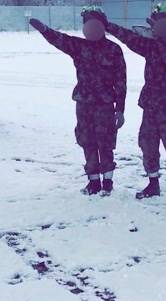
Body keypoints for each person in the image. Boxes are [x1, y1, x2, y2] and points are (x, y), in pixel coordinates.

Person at [105, 2, 166, 206]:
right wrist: (108, 25)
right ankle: (153, 184)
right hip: (150, 107)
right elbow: (128, 37)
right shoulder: (151, 45)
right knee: (148, 147)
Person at [29, 5, 126, 196]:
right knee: (87, 141)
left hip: (105, 105)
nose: (92, 30)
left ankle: (108, 181)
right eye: (89, 26)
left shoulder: (114, 50)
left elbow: (121, 81)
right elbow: (59, 40)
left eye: (96, 25)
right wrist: (44, 30)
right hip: (84, 104)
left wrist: (120, 110)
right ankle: (93, 181)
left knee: (105, 142)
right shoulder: (79, 46)